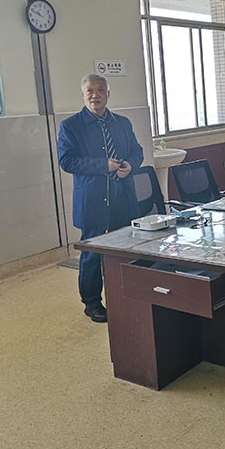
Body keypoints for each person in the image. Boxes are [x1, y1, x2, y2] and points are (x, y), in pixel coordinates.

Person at [57, 74, 144, 323]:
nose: (95, 95)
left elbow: (137, 152)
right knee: (93, 255)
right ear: (83, 94)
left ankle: (125, 296)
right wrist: (102, 165)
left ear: (108, 93)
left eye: (101, 90)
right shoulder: (71, 126)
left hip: (122, 199)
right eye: (90, 91)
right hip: (93, 202)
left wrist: (131, 165)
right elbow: (67, 161)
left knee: (125, 252)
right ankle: (92, 303)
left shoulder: (122, 123)